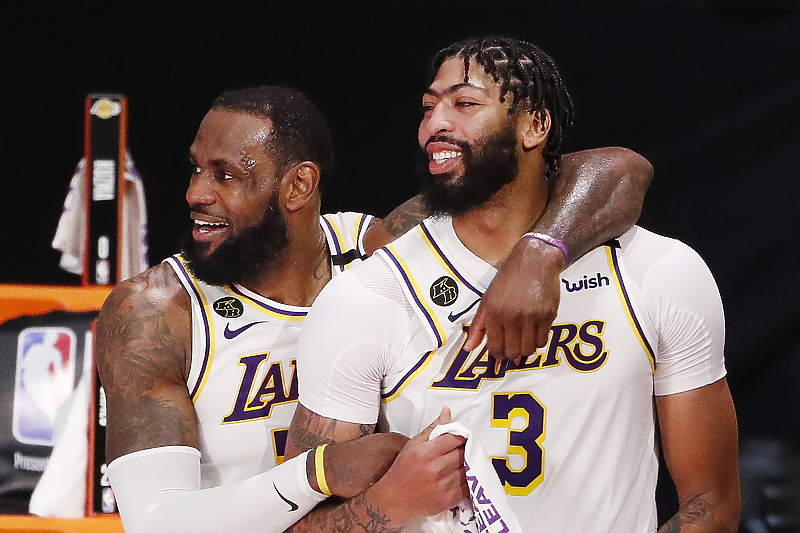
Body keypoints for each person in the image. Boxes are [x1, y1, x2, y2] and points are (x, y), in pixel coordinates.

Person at [96, 84, 652, 533]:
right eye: (196, 169)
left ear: (299, 187)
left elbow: (615, 169)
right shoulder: (156, 311)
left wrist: (539, 255)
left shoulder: (378, 251)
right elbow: (154, 522)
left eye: (225, 175)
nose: (196, 193)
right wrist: (317, 474)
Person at [287, 37, 741, 533]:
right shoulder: (366, 295)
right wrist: (391, 503)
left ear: (535, 126)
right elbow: (298, 522)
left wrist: (538, 258)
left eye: (464, 103)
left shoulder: (657, 270)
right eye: (428, 107)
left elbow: (710, 503)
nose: (435, 123)